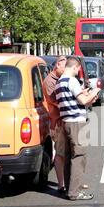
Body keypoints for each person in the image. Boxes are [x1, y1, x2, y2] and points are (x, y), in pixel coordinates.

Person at [54, 57, 100, 201]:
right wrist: (94, 92)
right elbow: (83, 101)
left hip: (66, 121)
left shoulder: (59, 82)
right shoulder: (71, 81)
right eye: (78, 70)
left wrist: (86, 95)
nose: (78, 72)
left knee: (69, 156)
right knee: (79, 156)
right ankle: (75, 192)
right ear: (75, 67)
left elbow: (74, 101)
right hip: (76, 123)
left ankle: (69, 187)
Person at [43, 55, 68, 194]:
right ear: (57, 65)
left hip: (62, 120)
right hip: (57, 122)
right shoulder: (49, 81)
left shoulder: (59, 79)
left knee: (66, 153)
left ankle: (69, 181)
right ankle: (61, 184)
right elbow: (54, 101)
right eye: (64, 68)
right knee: (60, 154)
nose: (65, 71)